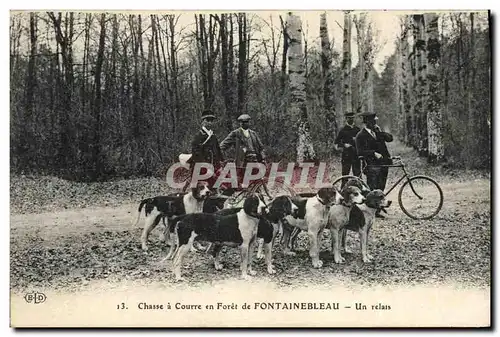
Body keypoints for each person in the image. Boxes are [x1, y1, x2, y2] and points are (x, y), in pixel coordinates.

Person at [355, 111, 394, 218]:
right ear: (366, 122)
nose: (374, 123)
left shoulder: (377, 132)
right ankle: (371, 210)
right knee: (373, 189)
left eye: (375, 121)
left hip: (383, 165)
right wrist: (373, 153)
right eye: (372, 121)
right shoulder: (360, 135)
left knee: (381, 187)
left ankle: (377, 208)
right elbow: (360, 152)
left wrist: (380, 131)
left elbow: (390, 138)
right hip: (371, 165)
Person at [220, 114, 266, 190]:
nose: (244, 123)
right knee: (240, 184)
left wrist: (263, 157)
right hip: (242, 163)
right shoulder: (236, 133)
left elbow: (261, 148)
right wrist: (221, 156)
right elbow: (223, 145)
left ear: (249, 122)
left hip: (255, 162)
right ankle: (236, 198)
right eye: (242, 122)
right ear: (240, 123)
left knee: (256, 183)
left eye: (246, 122)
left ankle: (255, 198)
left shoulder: (253, 134)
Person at [184, 109, 224, 192]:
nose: (210, 122)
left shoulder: (213, 136)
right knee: (199, 190)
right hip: (201, 168)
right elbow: (196, 153)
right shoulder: (198, 136)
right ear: (203, 121)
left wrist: (221, 162)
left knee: (214, 189)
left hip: (213, 166)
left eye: (211, 120)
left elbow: (218, 150)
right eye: (208, 120)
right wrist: (205, 167)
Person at [334, 111, 361, 188]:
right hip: (346, 156)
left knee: (358, 175)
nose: (351, 119)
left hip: (356, 156)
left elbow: (362, 142)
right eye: (349, 118)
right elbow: (336, 144)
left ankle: (360, 191)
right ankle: (343, 192)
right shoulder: (343, 130)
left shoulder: (357, 129)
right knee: (345, 175)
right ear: (346, 119)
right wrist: (344, 145)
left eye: (352, 118)